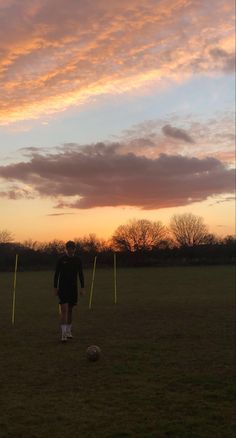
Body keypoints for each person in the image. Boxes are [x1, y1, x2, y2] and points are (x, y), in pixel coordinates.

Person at [54, 240, 85, 342]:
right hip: (63, 288)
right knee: (64, 310)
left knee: (70, 311)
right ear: (66, 249)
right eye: (68, 248)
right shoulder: (61, 259)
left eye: (72, 248)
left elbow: (80, 274)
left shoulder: (78, 260)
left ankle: (68, 331)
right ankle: (63, 334)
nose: (70, 250)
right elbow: (56, 274)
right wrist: (55, 287)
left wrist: (82, 287)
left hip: (73, 288)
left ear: (74, 249)